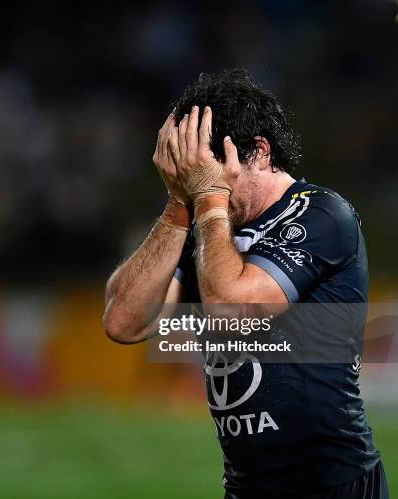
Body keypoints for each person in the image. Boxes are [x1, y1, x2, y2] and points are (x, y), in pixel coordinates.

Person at [103, 70, 388, 498]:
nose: (201, 184)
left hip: (333, 485)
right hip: (246, 487)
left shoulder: (324, 215)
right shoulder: (206, 224)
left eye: (207, 169)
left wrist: (209, 199)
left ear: (257, 152)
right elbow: (124, 322)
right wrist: (179, 207)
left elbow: (233, 311)